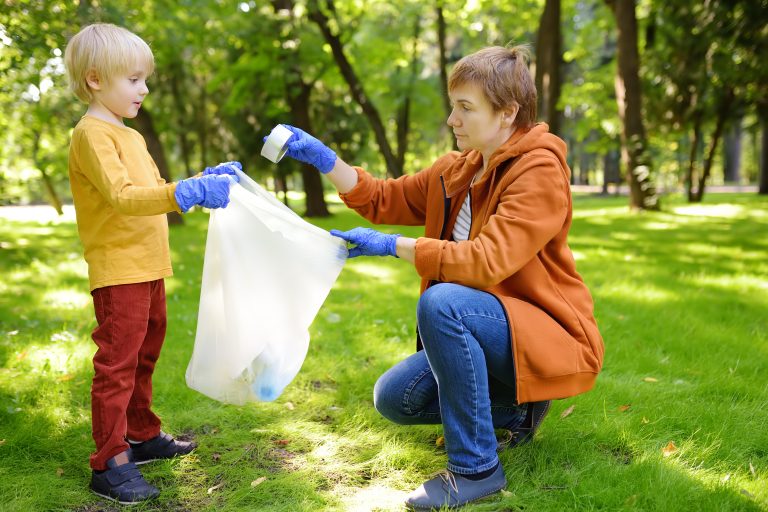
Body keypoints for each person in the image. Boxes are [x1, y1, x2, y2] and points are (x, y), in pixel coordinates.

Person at [277, 45, 604, 509]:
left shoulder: (540, 172)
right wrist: (325, 159)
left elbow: (487, 261)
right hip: (488, 328)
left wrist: (395, 246)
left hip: (545, 332)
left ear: (508, 113)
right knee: (394, 397)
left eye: (465, 108)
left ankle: (477, 470)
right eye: (454, 106)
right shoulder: (459, 169)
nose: (453, 119)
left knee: (442, 301)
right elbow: (381, 198)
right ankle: (516, 411)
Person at [63, 23, 240, 504]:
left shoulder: (131, 135)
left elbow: (153, 190)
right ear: (97, 79)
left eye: (145, 79)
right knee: (118, 364)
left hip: (148, 268)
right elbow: (123, 198)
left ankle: (140, 435)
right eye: (134, 79)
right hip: (119, 271)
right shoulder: (92, 135)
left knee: (145, 356)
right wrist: (185, 193)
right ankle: (109, 462)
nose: (144, 89)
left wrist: (202, 180)